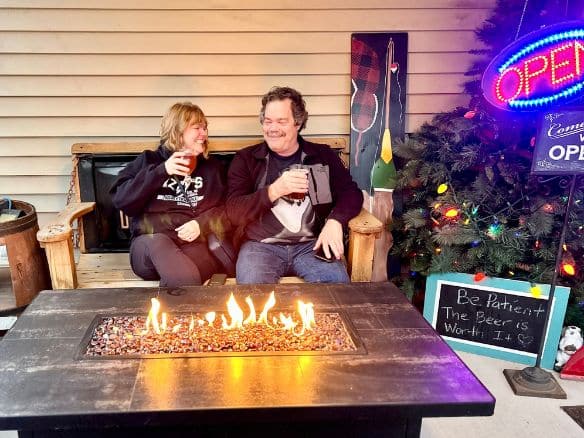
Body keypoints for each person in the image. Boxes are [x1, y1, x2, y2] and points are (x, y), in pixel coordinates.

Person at [226, 86, 363, 284]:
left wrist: (335, 221)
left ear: (297, 123)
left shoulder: (321, 156)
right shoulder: (247, 159)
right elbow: (233, 212)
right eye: (268, 121)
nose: (272, 128)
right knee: (254, 297)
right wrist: (274, 191)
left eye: (281, 121)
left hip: (311, 245)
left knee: (337, 290)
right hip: (260, 246)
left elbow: (351, 193)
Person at [110, 102, 229, 288]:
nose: (204, 134)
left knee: (186, 272)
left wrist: (201, 223)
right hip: (150, 244)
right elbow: (122, 200)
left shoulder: (211, 168)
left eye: (205, 128)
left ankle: (170, 310)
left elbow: (226, 209)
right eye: (197, 128)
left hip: (192, 244)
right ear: (177, 130)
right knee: (161, 245)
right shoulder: (149, 161)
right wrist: (161, 171)